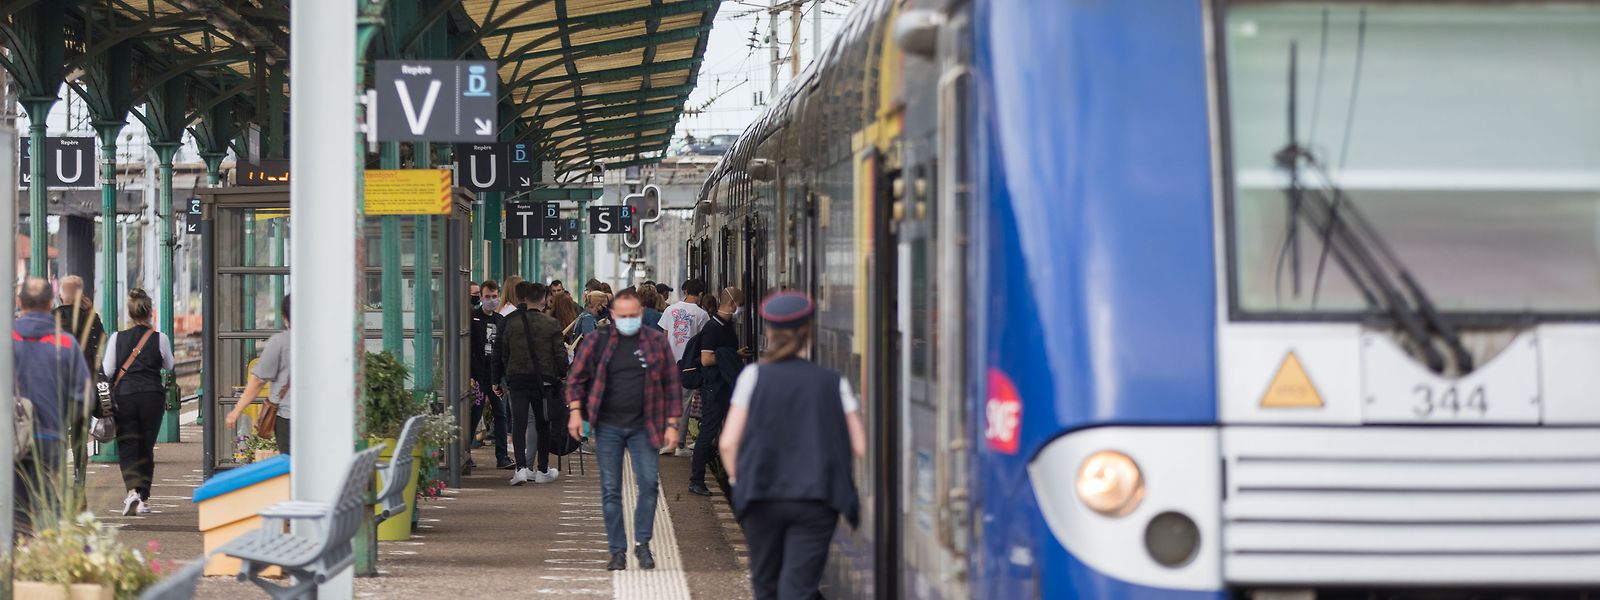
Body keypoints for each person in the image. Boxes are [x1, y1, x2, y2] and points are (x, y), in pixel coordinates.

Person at [719, 292, 865, 600]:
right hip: (815, 499)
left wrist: (739, 480)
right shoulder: (832, 381)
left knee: (766, 583)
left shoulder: (753, 376)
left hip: (762, 497)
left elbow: (729, 443)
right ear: (809, 330)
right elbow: (859, 444)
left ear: (769, 332)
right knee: (799, 588)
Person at [564, 290, 682, 571]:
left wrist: (672, 424)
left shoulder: (655, 342)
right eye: (623, 315)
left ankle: (642, 544)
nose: (628, 319)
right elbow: (576, 378)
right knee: (610, 489)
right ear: (613, 315)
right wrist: (576, 412)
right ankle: (617, 551)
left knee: (649, 484)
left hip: (645, 425)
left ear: (640, 314)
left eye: (633, 315)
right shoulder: (597, 341)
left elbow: (671, 383)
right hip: (608, 427)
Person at [13, 278, 92, 533]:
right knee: (49, 504)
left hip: (11, 438)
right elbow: (84, 397)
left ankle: (17, 547)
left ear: (19, 302)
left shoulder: (6, 339)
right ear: (50, 303)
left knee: (14, 507)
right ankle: (50, 546)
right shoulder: (66, 343)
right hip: (50, 436)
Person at [101, 289, 176, 515]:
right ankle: (143, 498)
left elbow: (107, 370)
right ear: (150, 311)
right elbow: (170, 365)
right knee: (146, 446)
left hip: (124, 396)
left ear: (130, 313)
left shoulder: (117, 338)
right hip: (152, 396)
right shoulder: (160, 338)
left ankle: (132, 491)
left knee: (128, 445)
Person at [495, 281, 568, 485]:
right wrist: (562, 373)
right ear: (544, 299)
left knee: (518, 423)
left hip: (517, 379)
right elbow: (560, 354)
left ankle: (520, 469)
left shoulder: (511, 323)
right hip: (543, 382)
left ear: (525, 299)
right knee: (542, 423)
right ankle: (542, 469)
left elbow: (503, 353)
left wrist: (499, 378)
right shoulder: (551, 323)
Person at [689, 286, 748, 496]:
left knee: (720, 431)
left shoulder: (726, 326)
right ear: (732, 304)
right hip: (714, 388)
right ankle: (696, 480)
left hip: (725, 387)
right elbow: (706, 359)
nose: (741, 309)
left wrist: (735, 355)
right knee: (708, 432)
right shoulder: (712, 328)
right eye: (740, 305)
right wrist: (731, 356)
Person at [225, 295, 292, 454]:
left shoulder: (280, 342)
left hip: (288, 418)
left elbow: (257, 381)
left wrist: (236, 411)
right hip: (319, 417)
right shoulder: (325, 340)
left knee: (292, 464)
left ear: (284, 317)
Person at [658, 279, 709, 456]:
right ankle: (679, 445)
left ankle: (667, 443)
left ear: (685, 291)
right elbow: (704, 340)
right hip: (689, 365)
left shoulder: (669, 310)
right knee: (684, 404)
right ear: (701, 294)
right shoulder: (702, 315)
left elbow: (664, 337)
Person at [470, 280, 513, 470]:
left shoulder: (500, 319)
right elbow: (469, 348)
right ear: (480, 297)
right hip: (479, 377)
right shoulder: (473, 318)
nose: (491, 300)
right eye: (487, 297)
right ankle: (465, 453)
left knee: (501, 414)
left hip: (496, 377)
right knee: (474, 414)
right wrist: (471, 374)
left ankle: (502, 457)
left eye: (494, 296)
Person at [53, 275, 106, 371]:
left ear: (60, 297)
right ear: (81, 297)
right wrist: (90, 311)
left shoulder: (50, 318)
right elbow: (101, 340)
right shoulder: (88, 318)